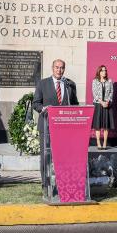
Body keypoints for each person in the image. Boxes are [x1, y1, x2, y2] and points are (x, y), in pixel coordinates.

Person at [32, 59, 79, 193]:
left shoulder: (70, 84)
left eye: (62, 68)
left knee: (64, 158)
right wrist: (43, 109)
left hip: (64, 128)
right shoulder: (43, 84)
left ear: (64, 69)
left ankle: (62, 184)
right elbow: (36, 103)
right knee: (46, 157)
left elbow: (74, 104)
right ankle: (46, 186)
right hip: (46, 127)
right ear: (52, 68)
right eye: (57, 67)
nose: (59, 70)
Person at [91, 65, 114, 150]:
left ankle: (104, 142)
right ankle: (98, 142)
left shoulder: (109, 81)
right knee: (98, 124)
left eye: (105, 70)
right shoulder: (95, 81)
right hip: (98, 104)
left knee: (106, 125)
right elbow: (95, 94)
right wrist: (101, 102)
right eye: (102, 70)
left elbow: (111, 92)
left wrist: (107, 102)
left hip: (107, 105)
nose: (104, 72)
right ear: (99, 72)